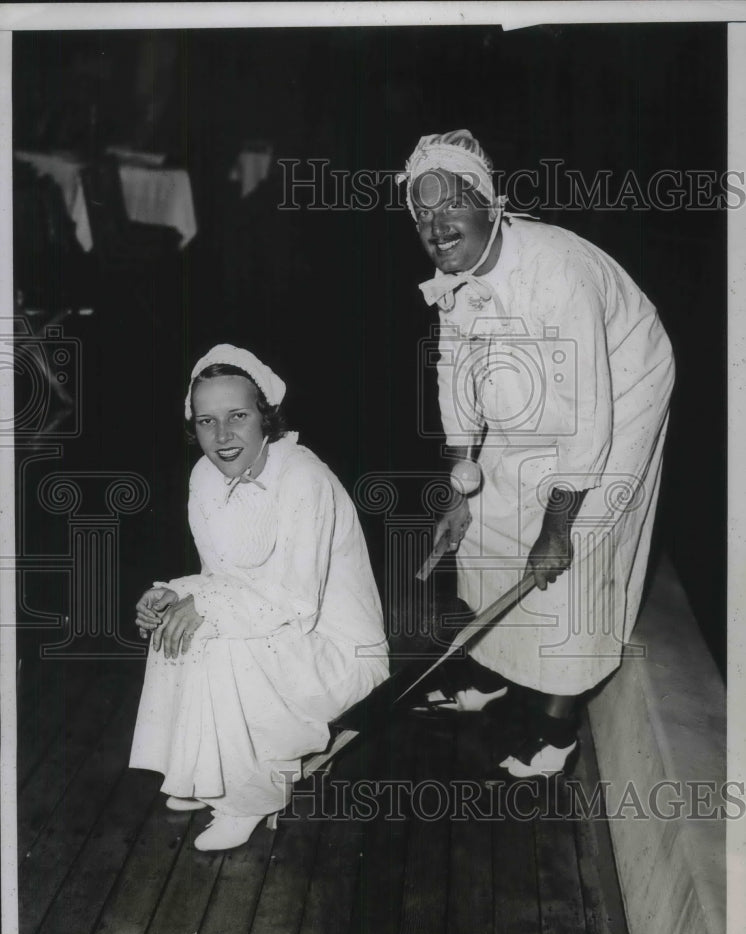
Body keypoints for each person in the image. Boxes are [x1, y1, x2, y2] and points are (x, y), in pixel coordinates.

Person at [396, 130, 675, 777]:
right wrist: (461, 490)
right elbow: (454, 370)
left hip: (621, 379)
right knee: (492, 513)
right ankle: (494, 674)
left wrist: (556, 526)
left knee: (577, 543)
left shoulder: (557, 271)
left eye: (451, 206)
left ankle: (556, 733)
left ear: (489, 202)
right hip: (538, 377)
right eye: (423, 214)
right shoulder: (457, 275)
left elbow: (586, 415)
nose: (437, 227)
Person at [130, 344, 388, 849]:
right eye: (207, 421)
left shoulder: (304, 478)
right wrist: (168, 595)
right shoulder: (203, 476)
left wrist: (204, 605)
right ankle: (203, 773)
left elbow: (297, 603)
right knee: (183, 621)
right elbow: (219, 577)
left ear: (265, 418)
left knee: (222, 633)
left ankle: (250, 797)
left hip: (337, 653)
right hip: (281, 633)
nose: (222, 437)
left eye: (238, 417)